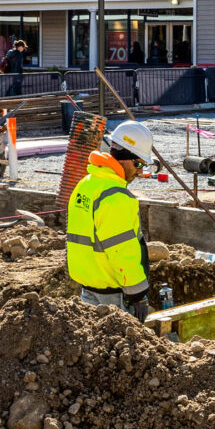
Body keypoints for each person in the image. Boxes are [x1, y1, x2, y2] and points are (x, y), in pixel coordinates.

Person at [66, 120, 153, 323]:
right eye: (139, 164)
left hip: (88, 290)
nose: (140, 171)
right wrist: (137, 293)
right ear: (124, 158)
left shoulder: (86, 184)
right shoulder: (116, 196)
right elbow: (121, 250)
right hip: (114, 297)